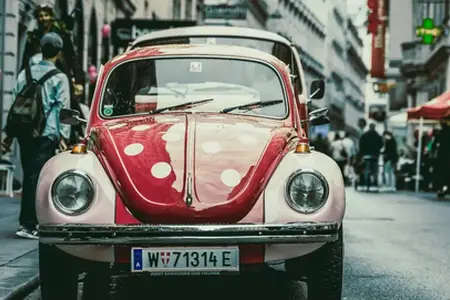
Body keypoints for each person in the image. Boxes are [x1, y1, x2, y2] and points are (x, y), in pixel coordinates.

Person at [1, 32, 70, 239]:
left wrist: (9, 133)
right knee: (38, 178)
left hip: (24, 132)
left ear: (41, 48)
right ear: (58, 52)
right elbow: (62, 109)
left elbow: (15, 102)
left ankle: (28, 223)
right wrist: (63, 136)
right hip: (45, 134)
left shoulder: (25, 73)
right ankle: (30, 224)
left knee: (30, 173)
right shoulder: (59, 78)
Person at [21, 4, 85, 145]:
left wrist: (79, 80)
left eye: (46, 15)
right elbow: (26, 59)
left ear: (51, 16)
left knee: (69, 105)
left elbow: (72, 57)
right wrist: (25, 76)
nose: (44, 18)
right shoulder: (34, 36)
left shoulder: (61, 34)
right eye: (41, 16)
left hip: (59, 74)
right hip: (37, 77)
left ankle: (73, 136)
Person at [359, 123, 383, 191]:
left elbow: (360, 144)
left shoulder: (364, 135)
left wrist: (362, 153)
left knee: (365, 168)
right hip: (375, 155)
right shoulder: (378, 136)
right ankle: (375, 182)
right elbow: (381, 145)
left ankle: (365, 181)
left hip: (365, 155)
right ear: (374, 127)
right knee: (375, 169)